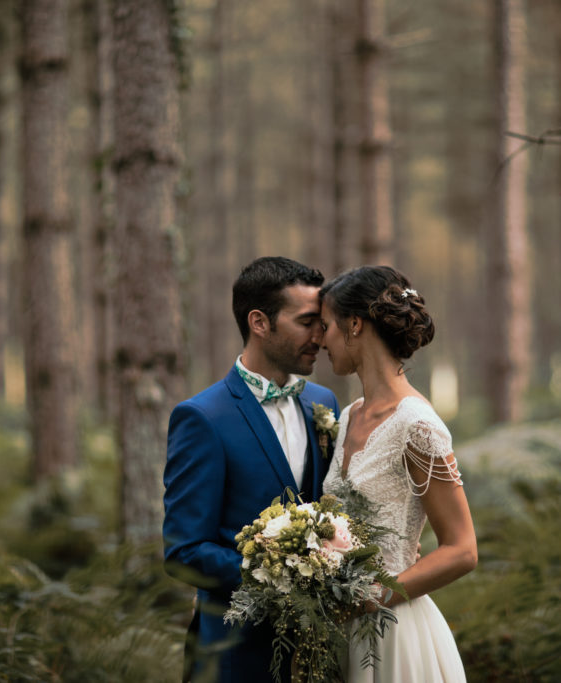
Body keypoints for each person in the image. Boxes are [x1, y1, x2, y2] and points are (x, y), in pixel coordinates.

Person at [163, 256, 341, 683]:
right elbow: (183, 552)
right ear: (259, 322)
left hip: (319, 651)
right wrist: (277, 576)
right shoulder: (202, 417)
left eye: (323, 323)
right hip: (233, 653)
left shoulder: (324, 404)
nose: (322, 336)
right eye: (307, 322)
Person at [319, 265, 477, 682]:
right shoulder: (349, 415)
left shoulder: (417, 426)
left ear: (354, 325)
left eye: (325, 326)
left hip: (394, 634)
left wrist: (372, 597)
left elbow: (462, 549)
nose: (320, 341)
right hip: (338, 634)